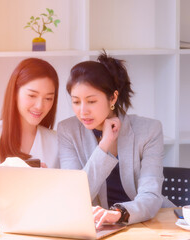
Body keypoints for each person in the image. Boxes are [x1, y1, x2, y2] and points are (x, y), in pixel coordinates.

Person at [57, 51, 175, 229]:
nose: (83, 111)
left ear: (112, 97)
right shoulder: (68, 131)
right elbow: (75, 197)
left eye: (91, 101)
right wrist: (104, 145)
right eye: (76, 101)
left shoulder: (149, 130)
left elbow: (151, 195)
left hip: (151, 223)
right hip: (98, 226)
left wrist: (118, 214)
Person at [0, 58, 59, 200]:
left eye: (48, 98)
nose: (40, 106)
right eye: (32, 95)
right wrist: (12, 167)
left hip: (42, 220)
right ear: (15, 93)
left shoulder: (56, 140)